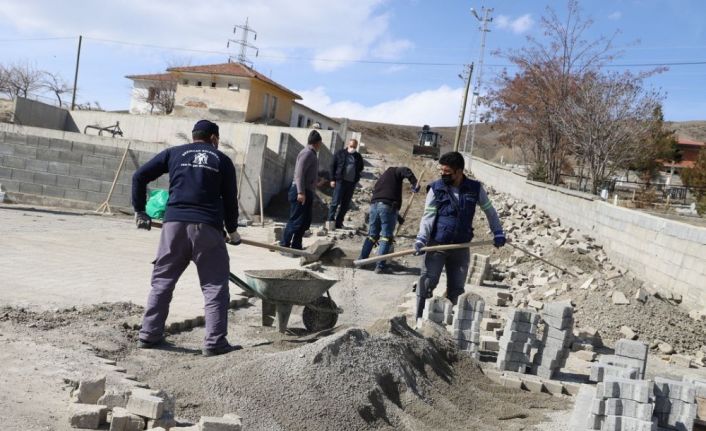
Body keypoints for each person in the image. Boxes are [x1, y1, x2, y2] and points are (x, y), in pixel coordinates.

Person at [131, 119, 241, 357]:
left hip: (174, 227)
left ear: (193, 137)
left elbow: (139, 176)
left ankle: (149, 335)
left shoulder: (174, 153)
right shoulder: (221, 160)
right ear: (214, 138)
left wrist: (140, 210)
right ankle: (214, 342)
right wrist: (232, 231)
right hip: (208, 229)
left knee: (162, 282)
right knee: (214, 287)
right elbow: (231, 200)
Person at [413, 151, 506, 322]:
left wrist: (497, 231)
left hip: (461, 247)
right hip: (437, 246)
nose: (442, 174)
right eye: (441, 170)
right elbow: (428, 216)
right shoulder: (436, 188)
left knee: (457, 289)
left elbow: (489, 211)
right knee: (427, 283)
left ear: (459, 171)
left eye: (447, 172)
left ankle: (447, 326)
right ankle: (419, 320)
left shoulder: (475, 189)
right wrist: (421, 238)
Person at [358, 166, 420, 273]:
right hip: (387, 206)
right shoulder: (394, 170)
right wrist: (414, 183)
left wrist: (397, 216)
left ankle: (361, 261)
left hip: (374, 206)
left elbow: (383, 201)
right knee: (386, 237)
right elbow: (406, 170)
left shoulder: (382, 180)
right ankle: (380, 266)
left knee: (372, 235)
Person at [280, 130, 322, 250]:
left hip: (307, 192)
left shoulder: (312, 154)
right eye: (320, 143)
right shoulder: (307, 153)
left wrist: (316, 182)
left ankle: (296, 245)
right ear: (317, 143)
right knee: (296, 220)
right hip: (300, 192)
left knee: (304, 221)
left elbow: (307, 174)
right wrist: (300, 192)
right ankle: (284, 245)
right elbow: (299, 174)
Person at [328, 139, 364, 229]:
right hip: (340, 182)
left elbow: (361, 167)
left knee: (345, 204)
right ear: (348, 145)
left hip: (351, 184)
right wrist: (332, 179)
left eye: (354, 147)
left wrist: (356, 176)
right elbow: (332, 166)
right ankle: (330, 221)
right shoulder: (340, 153)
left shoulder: (358, 156)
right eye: (351, 146)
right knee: (335, 202)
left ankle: (339, 223)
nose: (352, 148)